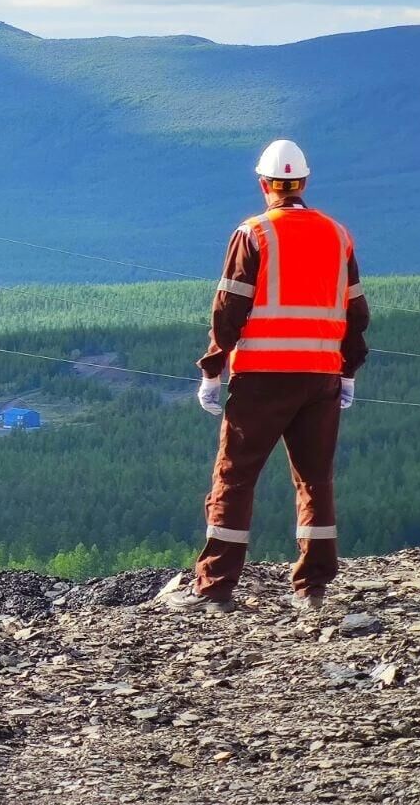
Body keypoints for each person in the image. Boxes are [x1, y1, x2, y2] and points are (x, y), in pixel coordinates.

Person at [165, 139, 369, 614]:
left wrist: (213, 369)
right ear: (303, 183)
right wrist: (348, 371)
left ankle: (215, 589)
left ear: (264, 184)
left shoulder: (254, 233)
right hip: (320, 376)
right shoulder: (338, 235)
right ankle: (313, 588)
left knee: (234, 479)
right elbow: (355, 311)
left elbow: (229, 308)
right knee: (315, 480)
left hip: (261, 377)